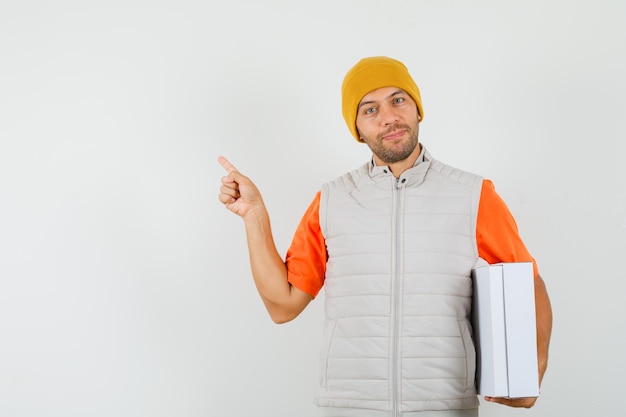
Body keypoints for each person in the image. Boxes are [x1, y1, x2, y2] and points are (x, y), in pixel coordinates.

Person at [218, 56, 552, 417]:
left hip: (442, 407)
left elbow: (528, 283)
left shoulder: (473, 195)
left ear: (417, 109)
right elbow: (283, 306)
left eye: (398, 100)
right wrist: (255, 216)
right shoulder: (331, 201)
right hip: (350, 406)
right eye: (370, 109)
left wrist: (531, 371)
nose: (389, 117)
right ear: (357, 128)